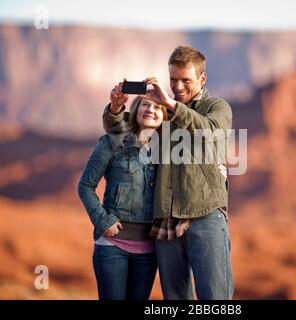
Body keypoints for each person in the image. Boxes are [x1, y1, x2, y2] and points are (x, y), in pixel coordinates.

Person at [102, 45, 234, 300]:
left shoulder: (217, 108)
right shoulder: (163, 111)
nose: (178, 86)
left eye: (186, 80)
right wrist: (116, 109)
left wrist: (171, 104)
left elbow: (209, 130)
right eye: (173, 79)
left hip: (205, 214)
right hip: (165, 219)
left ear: (202, 78)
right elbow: (122, 132)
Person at [78, 94, 168, 300]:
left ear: (164, 116)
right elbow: (85, 185)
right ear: (135, 109)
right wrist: (103, 220)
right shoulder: (112, 142)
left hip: (148, 250)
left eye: (157, 107)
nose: (151, 110)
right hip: (112, 246)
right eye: (145, 104)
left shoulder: (167, 151)